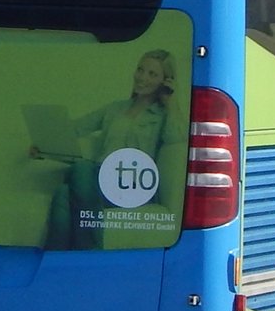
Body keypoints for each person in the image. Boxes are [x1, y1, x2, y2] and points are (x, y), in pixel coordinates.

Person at [44, 50, 185, 249]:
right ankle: (62, 261)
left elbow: (177, 138)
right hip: (101, 179)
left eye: (152, 74)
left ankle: (88, 252)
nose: (142, 77)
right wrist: (44, 144)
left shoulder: (163, 115)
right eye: (140, 70)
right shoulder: (116, 108)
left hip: (134, 184)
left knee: (81, 168)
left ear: (165, 81)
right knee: (62, 193)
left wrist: (171, 102)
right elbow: (76, 128)